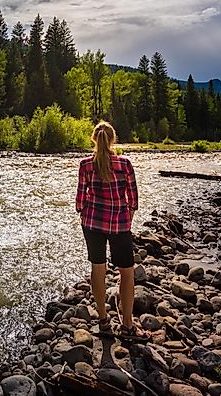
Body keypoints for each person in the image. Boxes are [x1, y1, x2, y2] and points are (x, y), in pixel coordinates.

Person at [75, 120, 148, 341]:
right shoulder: (125, 164)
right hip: (120, 225)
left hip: (92, 224)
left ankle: (104, 320)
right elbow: (133, 199)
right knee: (126, 272)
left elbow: (79, 202)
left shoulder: (85, 164)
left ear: (93, 139)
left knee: (98, 269)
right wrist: (126, 220)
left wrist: (86, 212)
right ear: (113, 139)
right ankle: (127, 325)